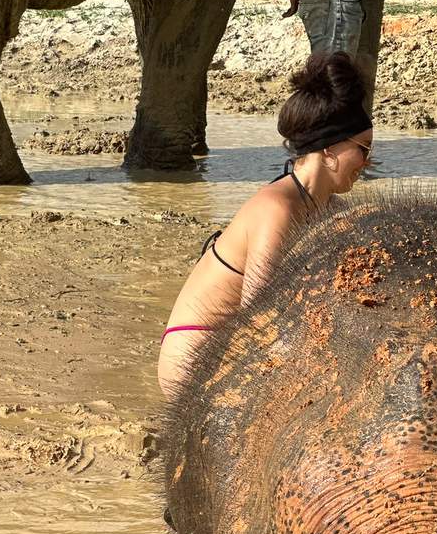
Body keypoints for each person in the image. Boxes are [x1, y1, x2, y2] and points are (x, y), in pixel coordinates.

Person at [157, 51, 373, 396]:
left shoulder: (330, 208)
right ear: (330, 149)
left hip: (233, 348)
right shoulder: (277, 207)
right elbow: (261, 313)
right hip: (197, 353)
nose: (368, 161)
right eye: (363, 149)